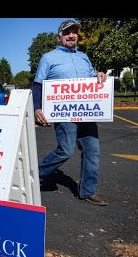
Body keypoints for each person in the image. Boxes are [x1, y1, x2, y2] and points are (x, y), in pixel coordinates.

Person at [32, 20, 108, 206]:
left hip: (87, 112)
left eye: (74, 32)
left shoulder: (84, 57)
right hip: (64, 113)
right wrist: (37, 107)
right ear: (59, 37)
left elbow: (91, 80)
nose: (71, 35)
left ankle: (88, 191)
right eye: (67, 33)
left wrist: (99, 75)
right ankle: (34, 175)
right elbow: (38, 84)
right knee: (65, 151)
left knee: (92, 151)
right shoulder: (48, 58)